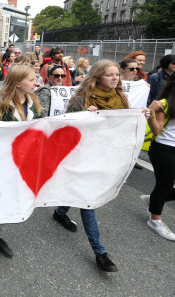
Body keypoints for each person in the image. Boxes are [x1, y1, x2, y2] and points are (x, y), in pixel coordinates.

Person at [52, 60, 151, 273]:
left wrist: (141, 117)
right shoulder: (82, 98)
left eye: (117, 74)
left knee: (81, 194)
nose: (115, 78)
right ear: (97, 77)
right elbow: (67, 126)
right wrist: (85, 117)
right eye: (109, 75)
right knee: (88, 201)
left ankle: (60, 212)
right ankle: (100, 253)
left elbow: (123, 125)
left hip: (105, 157)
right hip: (83, 157)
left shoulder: (120, 98)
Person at [0, 65, 42, 264]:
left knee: (14, 199)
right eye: (32, 79)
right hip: (2, 163)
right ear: (18, 83)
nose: (36, 83)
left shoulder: (33, 102)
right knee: (0, 200)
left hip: (25, 163)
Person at [144, 72, 175, 241]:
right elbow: (156, 129)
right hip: (165, 149)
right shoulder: (165, 103)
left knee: (163, 190)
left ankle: (154, 199)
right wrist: (151, 113)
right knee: (165, 185)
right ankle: (154, 220)